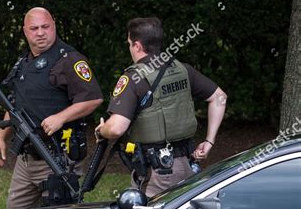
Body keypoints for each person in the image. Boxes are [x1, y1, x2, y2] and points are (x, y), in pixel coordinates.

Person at [95, 17, 227, 198]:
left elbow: (117, 128)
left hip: (158, 174)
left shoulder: (134, 78)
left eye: (129, 44)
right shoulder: (182, 69)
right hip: (189, 165)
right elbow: (219, 97)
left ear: (137, 45)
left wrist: (103, 131)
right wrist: (209, 141)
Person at [0, 7, 103, 209]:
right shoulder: (23, 63)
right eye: (34, 28)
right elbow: (14, 105)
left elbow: (93, 98)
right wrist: (1, 139)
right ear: (25, 31)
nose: (40, 32)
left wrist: (61, 117)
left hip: (58, 157)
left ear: (54, 26)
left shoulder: (70, 59)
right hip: (26, 159)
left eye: (45, 26)